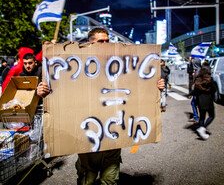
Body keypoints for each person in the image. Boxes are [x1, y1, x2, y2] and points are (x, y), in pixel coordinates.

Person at [37, 27, 165, 184]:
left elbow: (137, 86)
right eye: (100, 41)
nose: (105, 44)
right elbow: (60, 90)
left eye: (107, 41)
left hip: (113, 137)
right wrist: (42, 91)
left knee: (110, 180)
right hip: (87, 140)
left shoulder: (119, 63)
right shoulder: (79, 64)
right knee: (87, 181)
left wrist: (154, 86)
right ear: (90, 43)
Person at [193, 62, 215, 140]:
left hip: (200, 100)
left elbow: (195, 90)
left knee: (202, 116)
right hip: (208, 99)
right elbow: (214, 89)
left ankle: (202, 130)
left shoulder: (198, 79)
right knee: (212, 116)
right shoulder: (209, 79)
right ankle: (203, 128)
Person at [188, 58, 201, 123]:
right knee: (195, 103)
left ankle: (196, 118)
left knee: (194, 103)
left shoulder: (197, 72)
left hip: (197, 90)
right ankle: (197, 117)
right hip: (198, 91)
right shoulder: (199, 70)